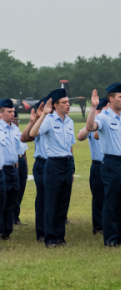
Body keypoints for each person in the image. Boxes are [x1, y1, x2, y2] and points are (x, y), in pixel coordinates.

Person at [86, 84, 121, 247]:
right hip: (112, 163)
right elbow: (91, 127)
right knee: (111, 202)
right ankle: (111, 239)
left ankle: (119, 236)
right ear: (111, 98)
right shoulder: (104, 117)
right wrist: (93, 107)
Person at [29, 89, 76, 248]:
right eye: (64, 103)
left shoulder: (70, 122)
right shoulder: (48, 120)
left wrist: (72, 168)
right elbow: (33, 132)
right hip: (54, 164)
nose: (68, 105)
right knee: (51, 202)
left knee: (63, 203)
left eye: (68, 102)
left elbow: (70, 146)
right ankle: (49, 238)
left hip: (67, 164)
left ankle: (60, 237)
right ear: (55, 105)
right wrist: (43, 115)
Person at [21, 97, 49, 242]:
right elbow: (24, 138)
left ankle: (53, 229)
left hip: (58, 163)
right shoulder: (40, 124)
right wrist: (33, 120)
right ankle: (42, 232)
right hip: (43, 164)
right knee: (43, 198)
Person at [79, 97, 107, 235]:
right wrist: (92, 122)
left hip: (112, 164)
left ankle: (110, 224)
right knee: (99, 197)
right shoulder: (93, 124)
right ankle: (98, 226)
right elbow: (80, 136)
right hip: (98, 165)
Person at [0, 98, 19, 241]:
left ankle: (7, 231)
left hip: (13, 169)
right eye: (9, 111)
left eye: (13, 111)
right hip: (3, 169)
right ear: (1, 113)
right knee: (2, 201)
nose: (13, 114)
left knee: (12, 200)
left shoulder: (15, 128)